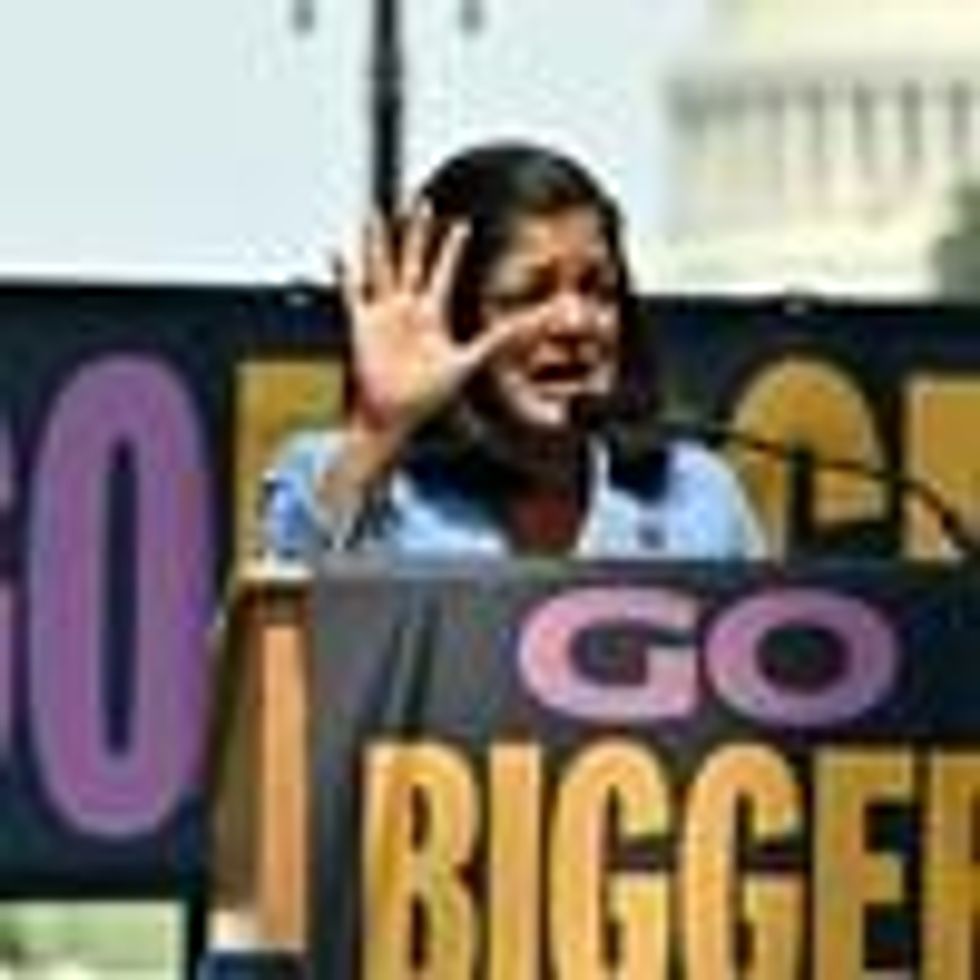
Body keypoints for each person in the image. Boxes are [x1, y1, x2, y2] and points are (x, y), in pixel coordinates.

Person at [260, 140, 765, 561]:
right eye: (528, 295)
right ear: (452, 320)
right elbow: (276, 643)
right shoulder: (343, 474)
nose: (574, 323)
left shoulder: (697, 495)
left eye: (598, 290)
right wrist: (377, 434)